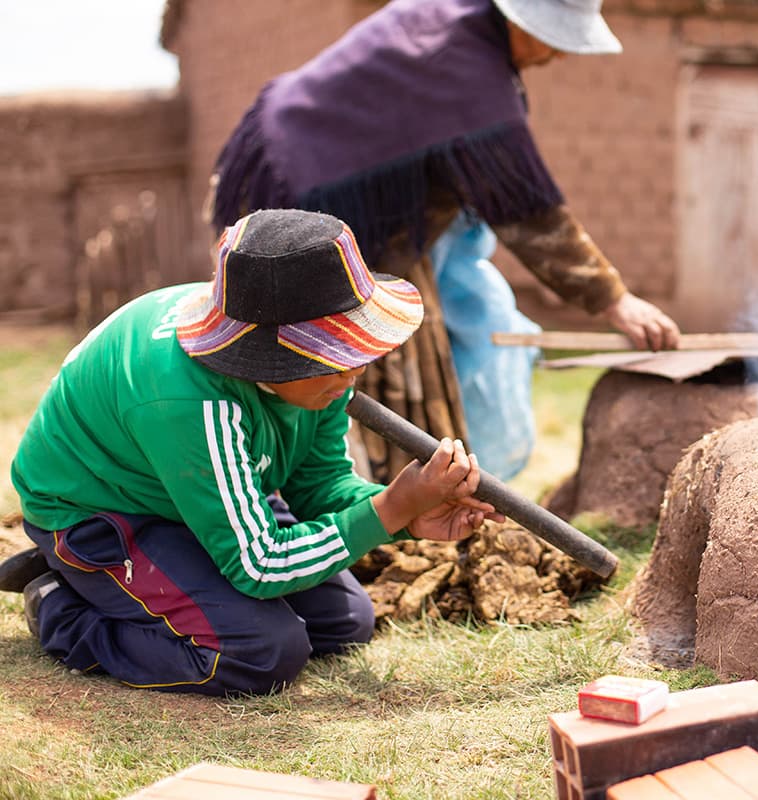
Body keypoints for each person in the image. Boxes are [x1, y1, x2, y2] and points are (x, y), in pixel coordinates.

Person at [2, 208, 503, 696]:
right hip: (106, 508)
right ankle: (61, 607)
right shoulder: (190, 401)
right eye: (336, 355)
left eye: (355, 350)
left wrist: (407, 513)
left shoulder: (320, 379)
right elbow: (260, 565)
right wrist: (391, 508)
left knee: (344, 623)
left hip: (196, 489)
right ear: (273, 358)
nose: (355, 373)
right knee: (258, 652)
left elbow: (320, 486)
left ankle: (146, 581)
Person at [207, 0, 681, 480]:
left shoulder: (450, 16)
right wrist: (615, 300)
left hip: (286, 148)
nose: (561, 55)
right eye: (556, 39)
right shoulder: (469, 78)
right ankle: (339, 488)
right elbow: (529, 215)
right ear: (519, 20)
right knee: (326, 356)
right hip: (304, 189)